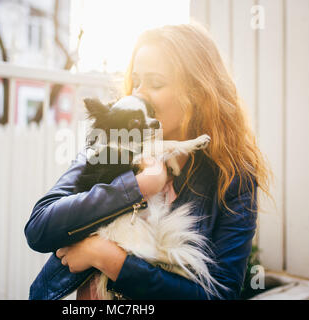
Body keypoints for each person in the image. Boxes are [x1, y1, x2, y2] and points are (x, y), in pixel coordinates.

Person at [24, 21, 272, 300]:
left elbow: (220, 295)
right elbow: (39, 228)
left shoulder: (233, 177)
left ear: (199, 94)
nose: (140, 92)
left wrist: (107, 257)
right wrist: (136, 187)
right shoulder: (111, 145)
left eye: (155, 83)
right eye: (137, 81)